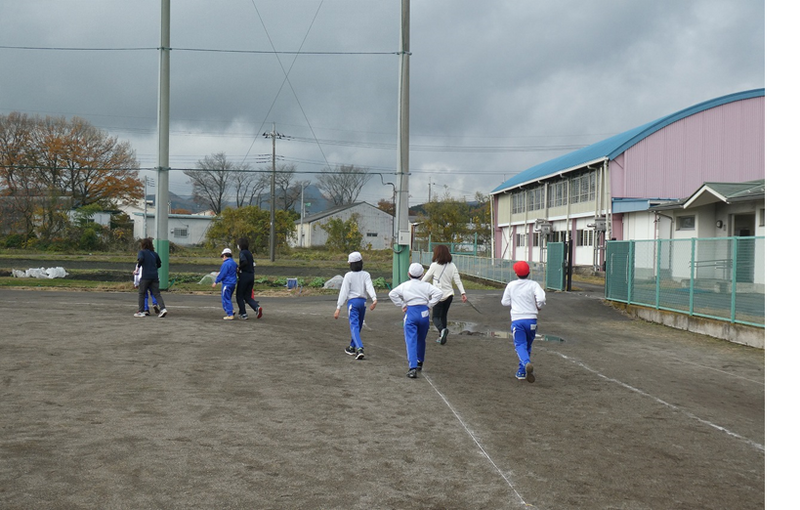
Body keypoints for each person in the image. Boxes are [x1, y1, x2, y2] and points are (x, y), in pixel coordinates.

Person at [388, 262, 443, 379]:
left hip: (411, 312)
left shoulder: (405, 285)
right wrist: (430, 305)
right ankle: (420, 361)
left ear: (409, 274)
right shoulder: (426, 285)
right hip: (424, 313)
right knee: (421, 339)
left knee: (411, 340)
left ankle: (412, 367)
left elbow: (392, 294)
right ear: (422, 275)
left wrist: (402, 304)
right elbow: (439, 293)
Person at [501, 261, 546, 383]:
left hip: (518, 319)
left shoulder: (511, 285)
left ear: (516, 273)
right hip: (532, 319)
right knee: (527, 345)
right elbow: (541, 298)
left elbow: (504, 302)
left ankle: (526, 363)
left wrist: (516, 302)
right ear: (529, 273)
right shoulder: (534, 284)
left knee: (520, 345)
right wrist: (538, 305)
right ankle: (521, 371)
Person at [334, 251, 378, 360]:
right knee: (358, 326)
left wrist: (338, 307)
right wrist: (374, 299)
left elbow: (344, 292)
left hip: (353, 303)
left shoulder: (348, 276)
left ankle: (359, 348)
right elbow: (369, 287)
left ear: (351, 264)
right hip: (362, 303)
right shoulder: (366, 275)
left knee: (354, 326)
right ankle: (351, 346)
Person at [422, 244, 467, 345]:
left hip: (438, 295)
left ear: (437, 253)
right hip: (449, 295)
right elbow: (457, 280)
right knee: (443, 316)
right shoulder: (452, 265)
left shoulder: (434, 265)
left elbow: (425, 279)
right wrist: (463, 293)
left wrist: (417, 285)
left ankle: (442, 331)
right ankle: (441, 336)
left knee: (435, 317)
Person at [132, 238, 167, 318]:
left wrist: (137, 269)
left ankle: (141, 311)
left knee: (142, 293)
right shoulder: (154, 254)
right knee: (157, 294)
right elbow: (159, 264)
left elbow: (141, 260)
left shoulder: (142, 252)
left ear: (142, 245)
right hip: (154, 276)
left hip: (145, 276)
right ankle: (163, 308)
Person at [235, 237, 262, 320]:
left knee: (239, 296)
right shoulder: (249, 253)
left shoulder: (242, 253)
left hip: (244, 276)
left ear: (240, 245)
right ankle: (256, 307)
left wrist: (239, 268)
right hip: (251, 276)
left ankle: (243, 313)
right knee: (247, 296)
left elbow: (244, 262)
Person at [212, 248, 238, 320]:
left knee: (225, 298)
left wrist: (216, 282)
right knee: (228, 297)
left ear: (225, 255)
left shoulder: (225, 264)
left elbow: (222, 274)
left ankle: (230, 314)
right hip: (233, 283)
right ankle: (231, 310)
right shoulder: (233, 262)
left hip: (227, 283)